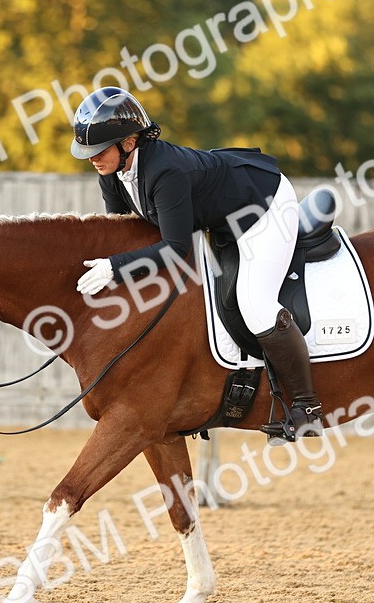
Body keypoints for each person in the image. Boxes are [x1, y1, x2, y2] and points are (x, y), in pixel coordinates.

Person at [70, 86, 323, 443]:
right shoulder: (111, 173)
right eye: (89, 152)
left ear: (128, 143)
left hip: (263, 206)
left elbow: (176, 250)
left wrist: (115, 267)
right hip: (222, 216)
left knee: (255, 303)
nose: (92, 158)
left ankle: (307, 407)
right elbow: (125, 235)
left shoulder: (164, 171)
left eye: (99, 150)